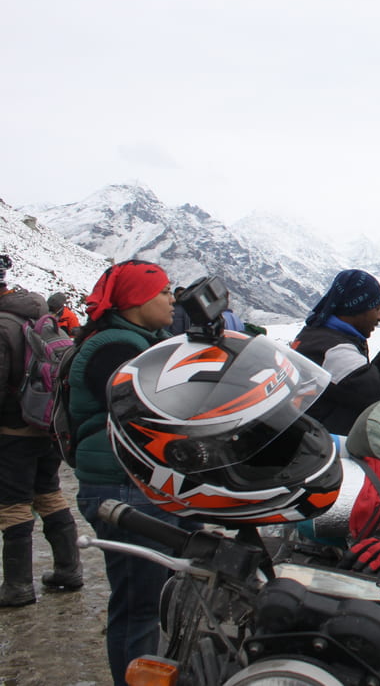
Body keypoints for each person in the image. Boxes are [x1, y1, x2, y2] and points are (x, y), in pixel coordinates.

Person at [69, 260, 201, 685]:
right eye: (162, 292)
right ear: (137, 299)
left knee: (158, 599)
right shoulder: (114, 348)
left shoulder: (140, 340)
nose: (171, 299)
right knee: (139, 606)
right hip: (122, 488)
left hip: (140, 484)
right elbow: (151, 411)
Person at [0, 257, 83, 608]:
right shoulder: (44, 319)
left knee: (12, 504)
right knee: (48, 494)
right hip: (47, 425)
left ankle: (17, 586)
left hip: (13, 430)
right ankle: (68, 568)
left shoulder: (2, 325)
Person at [290, 269, 380, 434]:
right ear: (357, 308)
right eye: (377, 309)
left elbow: (360, 389)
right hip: (327, 449)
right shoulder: (334, 352)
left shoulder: (319, 337)